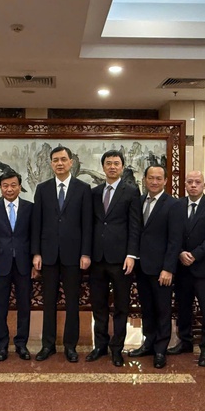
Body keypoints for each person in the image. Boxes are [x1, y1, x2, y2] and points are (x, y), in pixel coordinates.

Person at [31, 146, 92, 363]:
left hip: (74, 256)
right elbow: (37, 223)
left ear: (71, 162)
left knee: (72, 302)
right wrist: (36, 253)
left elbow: (87, 224)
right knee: (48, 302)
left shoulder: (83, 189)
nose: (59, 163)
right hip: (48, 255)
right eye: (55, 160)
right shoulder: (42, 189)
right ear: (51, 164)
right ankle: (48, 345)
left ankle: (70, 346)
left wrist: (86, 253)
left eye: (63, 159)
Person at [87, 150, 141, 367]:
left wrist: (131, 254)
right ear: (103, 167)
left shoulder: (131, 192)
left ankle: (117, 348)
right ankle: (100, 345)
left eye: (116, 163)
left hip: (121, 260)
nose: (112, 167)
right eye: (108, 163)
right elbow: (90, 224)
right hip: (97, 259)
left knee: (121, 306)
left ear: (122, 167)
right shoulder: (94, 192)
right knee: (98, 305)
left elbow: (135, 226)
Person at [128, 164, 184, 369]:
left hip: (162, 269)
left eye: (158, 178)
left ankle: (161, 349)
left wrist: (168, 268)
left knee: (162, 309)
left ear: (165, 181)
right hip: (142, 266)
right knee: (147, 308)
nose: (154, 182)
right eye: (150, 178)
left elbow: (175, 240)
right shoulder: (139, 200)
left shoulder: (173, 204)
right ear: (145, 179)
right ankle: (148, 343)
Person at [171, 171, 205, 367]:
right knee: (183, 307)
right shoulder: (176, 206)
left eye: (197, 182)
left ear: (204, 185)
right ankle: (185, 341)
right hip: (182, 266)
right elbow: (171, 233)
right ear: (185, 184)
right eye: (190, 182)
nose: (193, 185)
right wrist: (180, 253)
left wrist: (194, 255)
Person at [0, 169, 34, 361]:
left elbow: (34, 237)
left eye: (13, 185)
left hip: (24, 265)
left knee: (24, 306)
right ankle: (2, 345)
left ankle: (21, 344)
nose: (9, 189)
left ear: (20, 187)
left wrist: (35, 263)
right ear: (0, 187)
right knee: (0, 306)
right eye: (5, 186)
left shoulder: (30, 208)